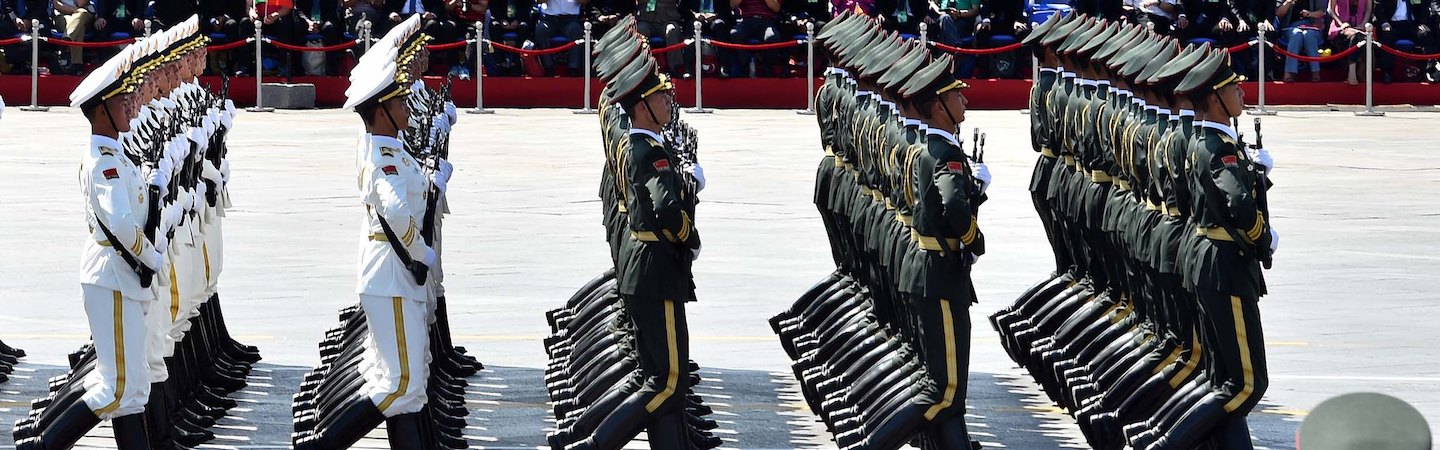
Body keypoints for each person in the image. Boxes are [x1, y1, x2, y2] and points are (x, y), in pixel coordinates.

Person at [294, 16, 448, 450]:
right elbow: (396, 209)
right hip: (392, 276)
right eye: (398, 104)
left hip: (393, 276)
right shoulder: (385, 159)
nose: (407, 109)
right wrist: (422, 251)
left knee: (407, 387)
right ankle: (322, 444)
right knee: (401, 384)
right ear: (380, 112)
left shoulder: (389, 149)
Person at [16, 42, 158, 450]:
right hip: (112, 274)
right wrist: (154, 255)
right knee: (116, 389)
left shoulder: (115, 153)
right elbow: (123, 226)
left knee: (132, 391)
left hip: (121, 276)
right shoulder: (104, 161)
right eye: (122, 101)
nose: (132, 105)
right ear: (101, 111)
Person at [565, 37, 702, 450]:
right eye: (661, 97)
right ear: (642, 105)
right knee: (666, 383)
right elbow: (667, 211)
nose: (667, 103)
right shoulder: (649, 151)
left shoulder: (641, 144)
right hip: (656, 270)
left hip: (644, 266)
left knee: (658, 379)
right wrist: (690, 237)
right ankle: (593, 443)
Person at [1374, 0, 1436, 82]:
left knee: (1425, 34)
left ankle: (1428, 71)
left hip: (1413, 24)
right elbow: (1378, 7)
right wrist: (1384, 23)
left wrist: (1423, 23)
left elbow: (1425, 7)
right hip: (1392, 24)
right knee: (1386, 35)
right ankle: (1387, 72)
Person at [728, 0, 782, 77]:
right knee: (735, 34)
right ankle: (745, 65)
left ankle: (767, 67)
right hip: (745, 20)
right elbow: (732, 5)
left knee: (773, 37)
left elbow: (776, 8)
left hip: (766, 21)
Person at [1277, 0, 1326, 81]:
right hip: (1291, 27)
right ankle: (1289, 73)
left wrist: (1310, 14)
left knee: (1309, 35)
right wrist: (1289, 2)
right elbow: (1278, 13)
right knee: (1296, 34)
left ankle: (1315, 72)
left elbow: (1322, 11)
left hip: (1311, 26)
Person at [295, 0, 345, 75]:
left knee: (330, 28)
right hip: (306, 21)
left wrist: (320, 23)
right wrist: (309, 22)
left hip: (324, 20)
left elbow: (331, 11)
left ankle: (331, 69)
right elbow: (299, 11)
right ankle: (297, 70)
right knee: (296, 28)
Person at [533, 0, 582, 75]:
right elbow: (539, 1)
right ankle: (548, 67)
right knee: (541, 30)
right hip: (549, 20)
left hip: (570, 20)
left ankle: (574, 68)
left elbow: (584, 2)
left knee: (576, 30)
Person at [637, 0, 686, 75]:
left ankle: (675, 67)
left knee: (672, 30)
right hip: (646, 20)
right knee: (640, 30)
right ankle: (640, 67)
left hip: (667, 20)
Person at [1327, 0, 1367, 84]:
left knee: (1364, 38)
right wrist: (1341, 24)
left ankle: (1361, 75)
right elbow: (1330, 9)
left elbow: (1368, 10)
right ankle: (1352, 74)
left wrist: (1363, 24)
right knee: (1355, 35)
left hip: (1360, 27)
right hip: (1340, 28)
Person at [52, 0, 94, 73]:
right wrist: (76, 11)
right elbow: (57, 5)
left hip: (84, 15)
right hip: (63, 16)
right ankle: (77, 64)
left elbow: (81, 3)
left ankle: (65, 42)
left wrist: (77, 12)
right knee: (78, 27)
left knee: (81, 15)